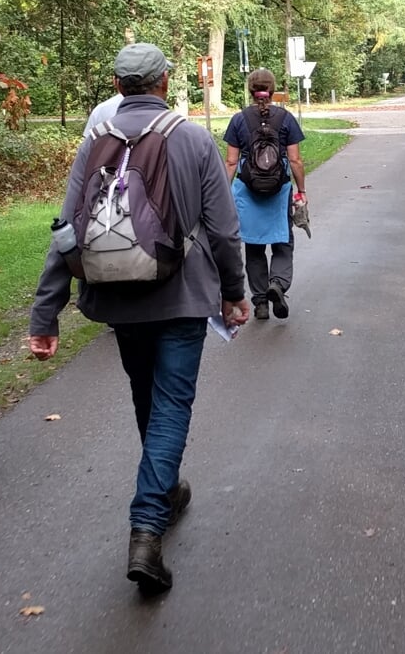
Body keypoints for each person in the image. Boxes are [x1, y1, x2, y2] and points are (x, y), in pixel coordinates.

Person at [28, 42, 250, 594]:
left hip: (119, 298)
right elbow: (223, 229)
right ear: (164, 82)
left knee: (147, 398)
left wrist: (45, 314)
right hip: (180, 297)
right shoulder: (193, 139)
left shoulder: (95, 144)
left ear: (116, 83)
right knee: (171, 404)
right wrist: (234, 291)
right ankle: (147, 528)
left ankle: (167, 488)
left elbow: (66, 232)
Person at [223, 69, 306, 321]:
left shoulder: (238, 120)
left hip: (248, 191)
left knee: (254, 247)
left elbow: (230, 162)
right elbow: (295, 159)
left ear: (250, 90)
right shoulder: (286, 118)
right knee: (283, 242)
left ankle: (260, 302)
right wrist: (301, 191)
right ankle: (278, 284)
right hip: (278, 191)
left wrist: (224, 194)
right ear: (272, 90)